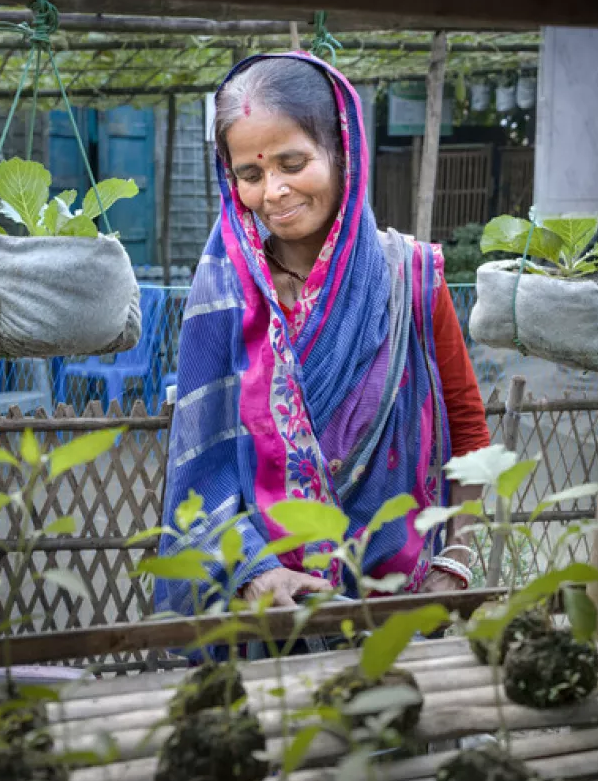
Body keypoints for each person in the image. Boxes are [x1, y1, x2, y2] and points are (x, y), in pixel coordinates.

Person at [155, 52, 490, 622]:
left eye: (293, 162)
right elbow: (203, 464)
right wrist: (254, 571)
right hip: (266, 614)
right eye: (251, 174)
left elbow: (467, 427)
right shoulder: (224, 294)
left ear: (344, 152)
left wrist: (455, 554)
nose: (274, 192)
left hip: (397, 601)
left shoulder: (410, 280)